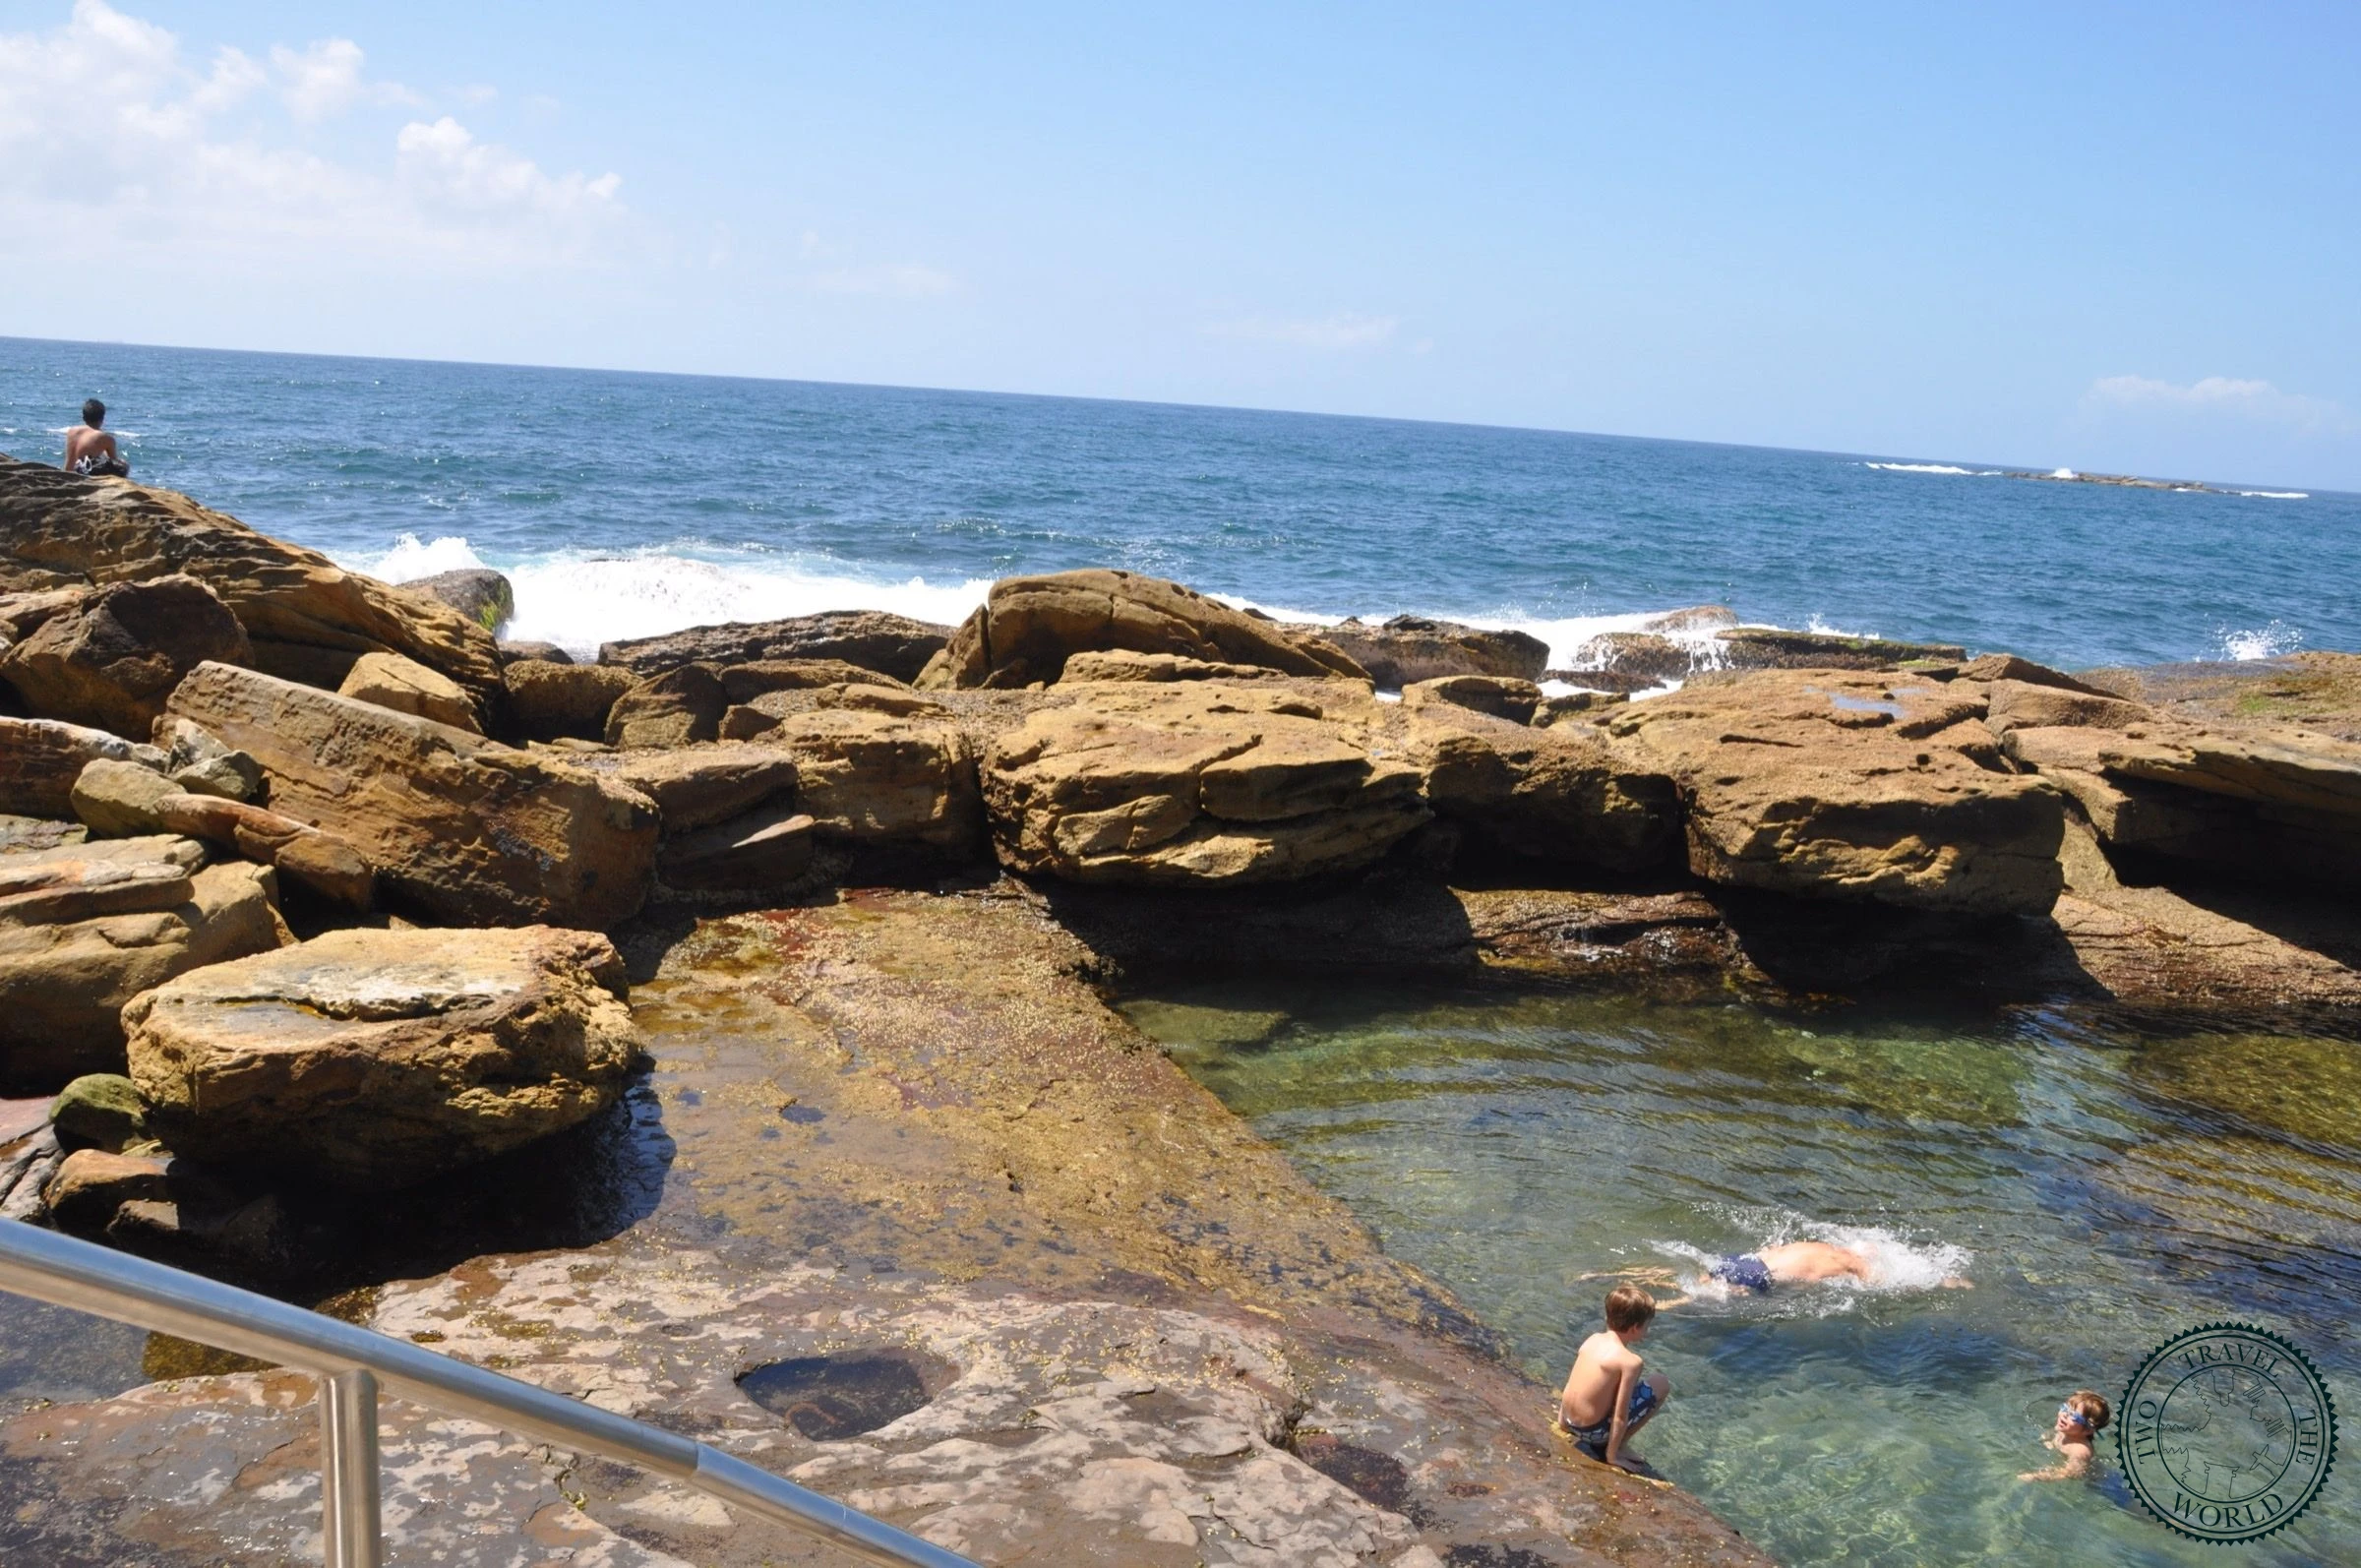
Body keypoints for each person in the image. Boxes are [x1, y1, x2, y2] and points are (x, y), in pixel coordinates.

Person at [1555, 1284, 1670, 1472]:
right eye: (1647, 1327)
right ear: (1635, 1328)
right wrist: (1612, 1456)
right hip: (1594, 1433)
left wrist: (1563, 1423)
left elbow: (1570, 1384)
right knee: (1661, 1383)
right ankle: (1621, 1445)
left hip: (1569, 1422)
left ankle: (1597, 1436)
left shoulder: (1592, 1339)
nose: (1647, 1332)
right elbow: (1620, 1415)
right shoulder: (1630, 1362)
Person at [1696, 1238, 1971, 1296]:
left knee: (1704, 1279)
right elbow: (1882, 1283)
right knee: (1692, 1297)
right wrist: (1939, 1281)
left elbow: (1769, 1249)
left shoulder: (1817, 1245)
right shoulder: (1850, 1262)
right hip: (1760, 1276)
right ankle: (1658, 1306)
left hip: (1745, 1259)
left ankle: (1652, 1277)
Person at [2020, 1390, 2110, 1480]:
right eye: (2065, 1408)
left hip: (2092, 1482)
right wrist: (2047, 1441)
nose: (2064, 1415)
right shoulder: (2065, 1430)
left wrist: (2036, 1477)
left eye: (2074, 1416)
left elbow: (2070, 1473)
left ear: (2087, 1430)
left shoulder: (2080, 1450)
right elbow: (2049, 1434)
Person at [62, 399, 129, 477]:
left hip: (68, 472)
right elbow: (114, 461)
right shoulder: (106, 438)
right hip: (85, 474)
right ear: (102, 419)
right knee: (123, 465)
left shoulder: (71, 431)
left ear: (83, 417)